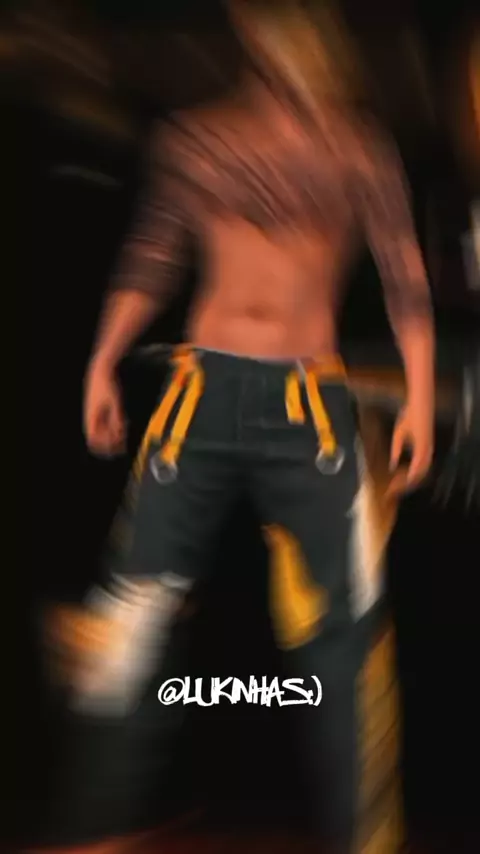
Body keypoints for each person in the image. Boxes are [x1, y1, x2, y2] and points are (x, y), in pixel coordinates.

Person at [64, 1, 435, 851]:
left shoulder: (358, 145)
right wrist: (101, 361)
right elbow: (154, 251)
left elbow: (403, 272)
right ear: (248, 35)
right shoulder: (197, 139)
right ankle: (93, 828)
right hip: (200, 392)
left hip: (309, 404)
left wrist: (417, 398)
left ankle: (366, 842)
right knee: (129, 620)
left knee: (346, 633)